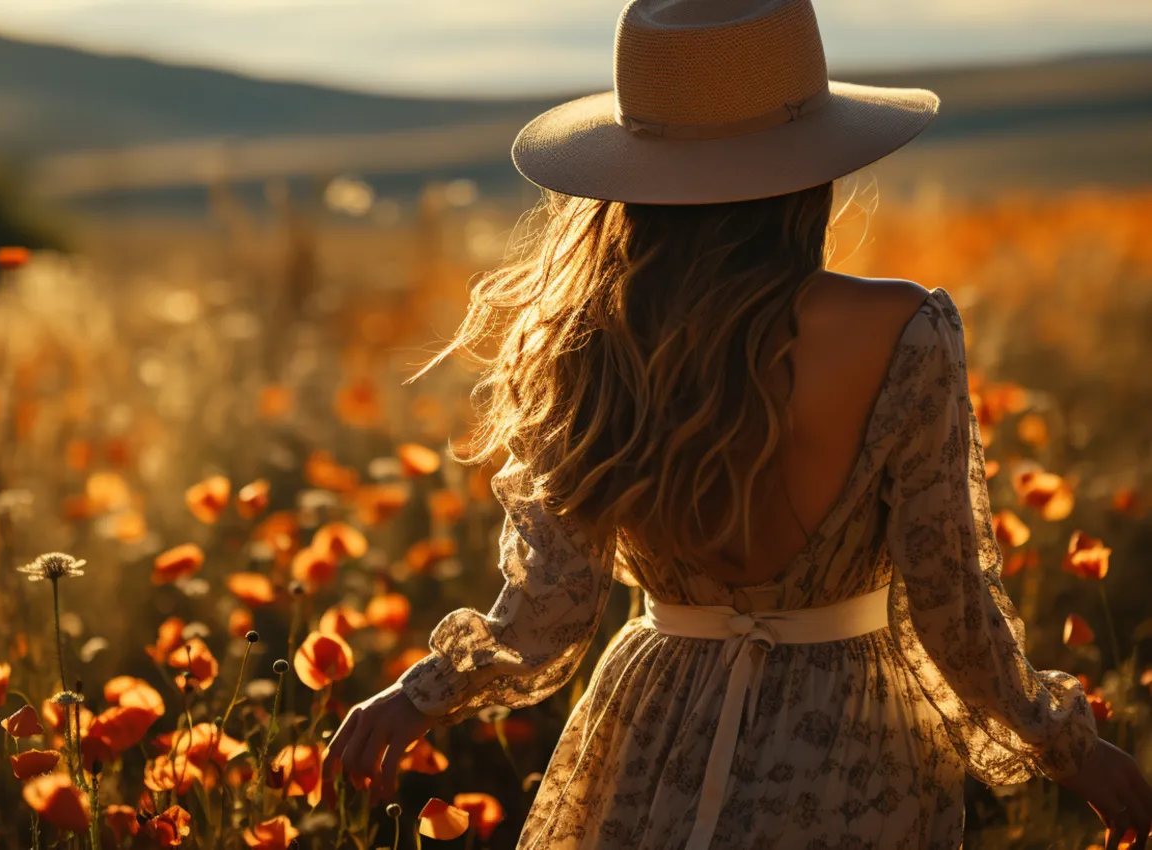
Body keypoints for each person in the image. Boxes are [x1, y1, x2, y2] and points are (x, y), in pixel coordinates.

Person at [325, 0, 1152, 846]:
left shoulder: (596, 340)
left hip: (653, 727)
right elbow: (950, 600)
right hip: (848, 742)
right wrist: (1065, 747)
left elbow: (550, 610)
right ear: (813, 167)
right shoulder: (902, 329)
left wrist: (415, 697)